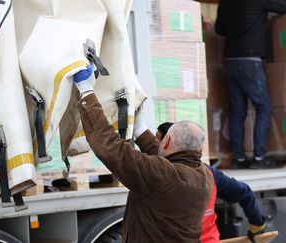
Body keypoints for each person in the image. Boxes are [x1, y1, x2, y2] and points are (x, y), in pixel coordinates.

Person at [72, 65, 214, 242]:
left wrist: (86, 92)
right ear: (199, 150)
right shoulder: (204, 176)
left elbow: (112, 149)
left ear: (167, 141)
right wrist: (139, 129)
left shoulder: (163, 175)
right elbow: (169, 162)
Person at [156, 122, 267, 243]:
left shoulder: (159, 176)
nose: (156, 146)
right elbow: (244, 192)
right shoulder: (209, 173)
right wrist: (257, 225)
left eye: (157, 141)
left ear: (166, 143)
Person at [215, 0, 286, 169]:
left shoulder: (225, 2)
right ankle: (259, 157)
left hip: (231, 60)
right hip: (250, 60)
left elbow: (219, 29)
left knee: (237, 111)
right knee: (263, 107)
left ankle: (238, 158)